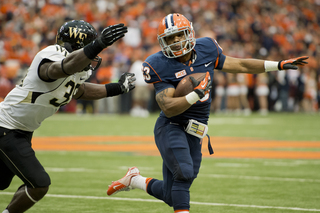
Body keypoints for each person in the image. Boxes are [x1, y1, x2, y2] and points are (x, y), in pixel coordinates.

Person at [106, 13, 308, 213]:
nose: (176, 41)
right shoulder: (158, 64)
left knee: (173, 192)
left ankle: (135, 180)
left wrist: (278, 65)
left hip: (197, 129)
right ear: (162, 42)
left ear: (190, 33)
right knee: (184, 173)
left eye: (179, 35)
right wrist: (196, 94)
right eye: (170, 38)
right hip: (171, 125)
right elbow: (167, 106)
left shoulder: (207, 48)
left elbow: (240, 64)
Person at [0, 20, 135, 213]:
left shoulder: (75, 68)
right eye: (89, 46)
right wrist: (99, 44)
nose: (94, 55)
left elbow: (78, 91)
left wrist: (117, 88)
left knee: (3, 183)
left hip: (21, 130)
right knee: (39, 184)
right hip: (6, 127)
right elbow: (58, 69)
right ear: (76, 46)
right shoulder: (52, 54)